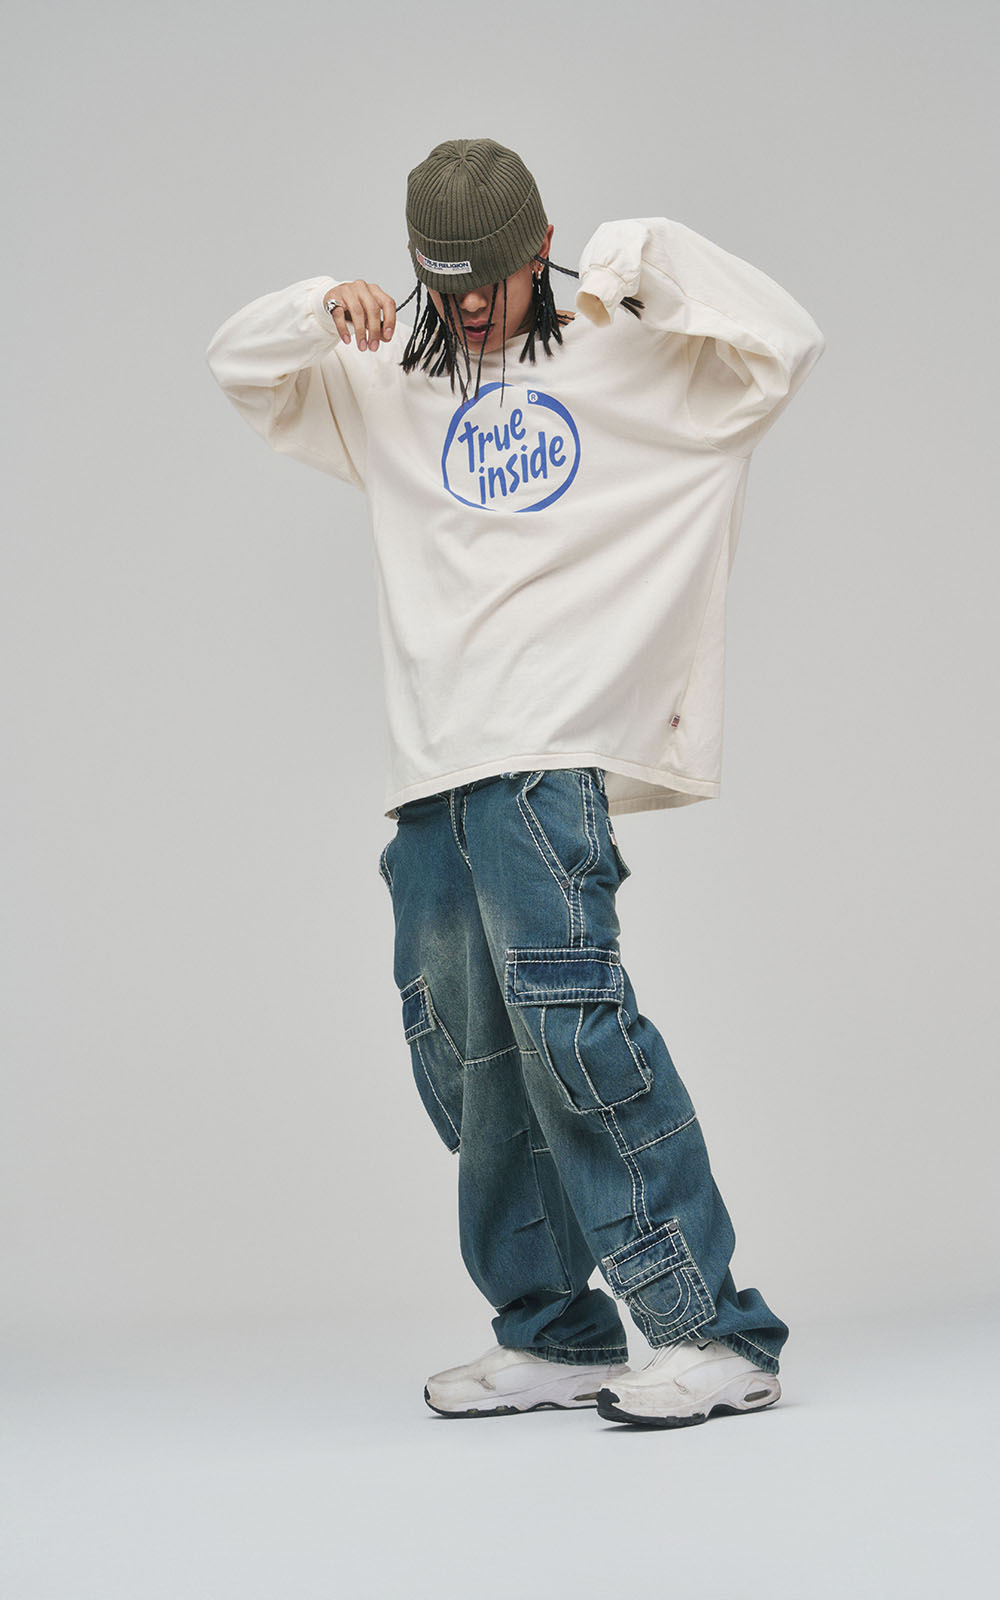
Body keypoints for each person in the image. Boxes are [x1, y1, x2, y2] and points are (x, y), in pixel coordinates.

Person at [205, 137, 826, 1430]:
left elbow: (782, 344)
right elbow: (240, 368)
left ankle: (715, 1333)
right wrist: (318, 307)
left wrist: (647, 253)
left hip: (543, 759)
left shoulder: (620, 352)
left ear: (542, 249)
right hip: (432, 766)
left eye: (490, 281)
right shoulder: (385, 374)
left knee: (574, 1031)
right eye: (446, 286)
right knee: (469, 1059)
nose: (471, 308)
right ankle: (556, 1333)